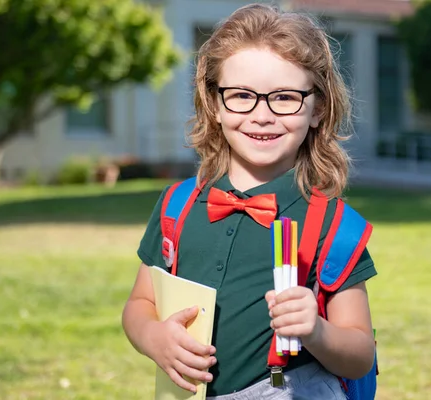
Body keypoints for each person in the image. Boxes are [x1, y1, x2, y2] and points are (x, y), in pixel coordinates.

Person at [122, 3, 377, 399]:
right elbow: (139, 304)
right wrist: (153, 336)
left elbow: (359, 354)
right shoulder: (178, 205)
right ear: (215, 104)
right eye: (242, 95)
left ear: (318, 108)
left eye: (285, 97)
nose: (262, 115)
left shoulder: (333, 225)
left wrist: (316, 330)